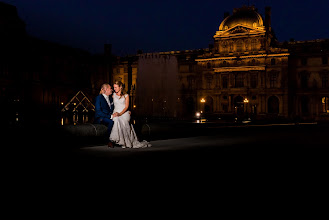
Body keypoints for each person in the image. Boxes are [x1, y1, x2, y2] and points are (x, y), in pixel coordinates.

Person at [110, 80, 151, 148]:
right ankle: (120, 141)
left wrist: (120, 114)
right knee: (116, 119)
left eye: (116, 87)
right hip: (116, 112)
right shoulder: (113, 95)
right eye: (114, 87)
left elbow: (126, 107)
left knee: (124, 121)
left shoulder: (126, 95)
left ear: (120, 87)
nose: (114, 89)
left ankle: (126, 142)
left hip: (124, 112)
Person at [94, 83, 115, 148]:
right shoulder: (99, 98)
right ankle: (108, 140)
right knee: (111, 122)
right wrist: (110, 116)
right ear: (105, 89)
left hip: (109, 117)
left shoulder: (111, 99)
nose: (112, 90)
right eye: (110, 88)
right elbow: (98, 111)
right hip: (100, 118)